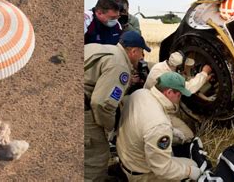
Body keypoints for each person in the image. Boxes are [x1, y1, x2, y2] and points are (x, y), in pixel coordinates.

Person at [84, 31, 151, 181]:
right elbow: (102, 104)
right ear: (133, 51)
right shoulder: (120, 65)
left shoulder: (103, 48)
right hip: (84, 111)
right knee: (96, 155)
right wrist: (109, 128)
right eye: (142, 53)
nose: (142, 58)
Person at [116, 72, 203, 181]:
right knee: (193, 165)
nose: (180, 98)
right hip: (139, 173)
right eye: (179, 94)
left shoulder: (140, 93)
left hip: (127, 158)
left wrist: (170, 130)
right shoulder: (159, 126)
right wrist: (188, 171)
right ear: (169, 92)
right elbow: (163, 170)